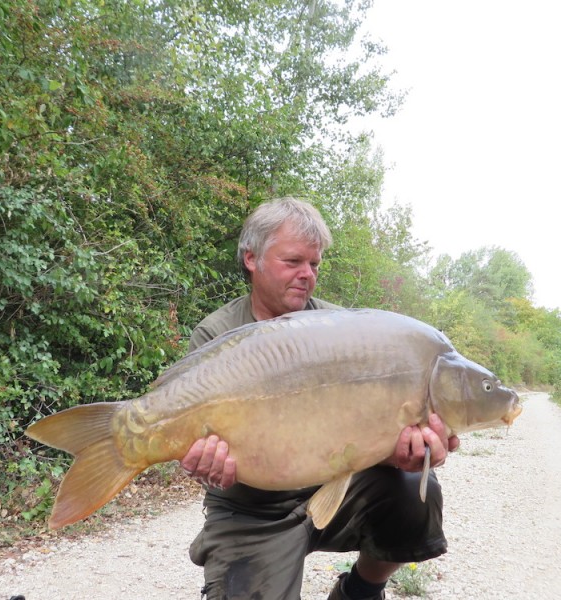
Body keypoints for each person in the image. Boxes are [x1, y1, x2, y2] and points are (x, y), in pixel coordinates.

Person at [181, 197, 459, 600]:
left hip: (335, 490)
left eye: (314, 264)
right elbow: (190, 447)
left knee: (417, 487)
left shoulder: (339, 329)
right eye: (293, 262)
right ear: (251, 259)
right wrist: (202, 464)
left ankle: (361, 589)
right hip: (251, 509)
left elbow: (360, 431)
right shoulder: (217, 337)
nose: (306, 275)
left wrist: (397, 452)